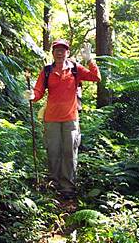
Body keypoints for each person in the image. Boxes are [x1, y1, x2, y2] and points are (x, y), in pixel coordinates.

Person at [25, 39, 101, 200]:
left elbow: (96, 77)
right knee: (53, 151)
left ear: (67, 52)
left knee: (69, 152)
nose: (60, 53)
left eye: (63, 50)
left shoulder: (75, 69)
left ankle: (68, 186)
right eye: (57, 50)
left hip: (71, 119)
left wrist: (90, 60)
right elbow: (38, 91)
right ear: (52, 53)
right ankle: (53, 183)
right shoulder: (46, 71)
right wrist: (32, 96)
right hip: (51, 118)